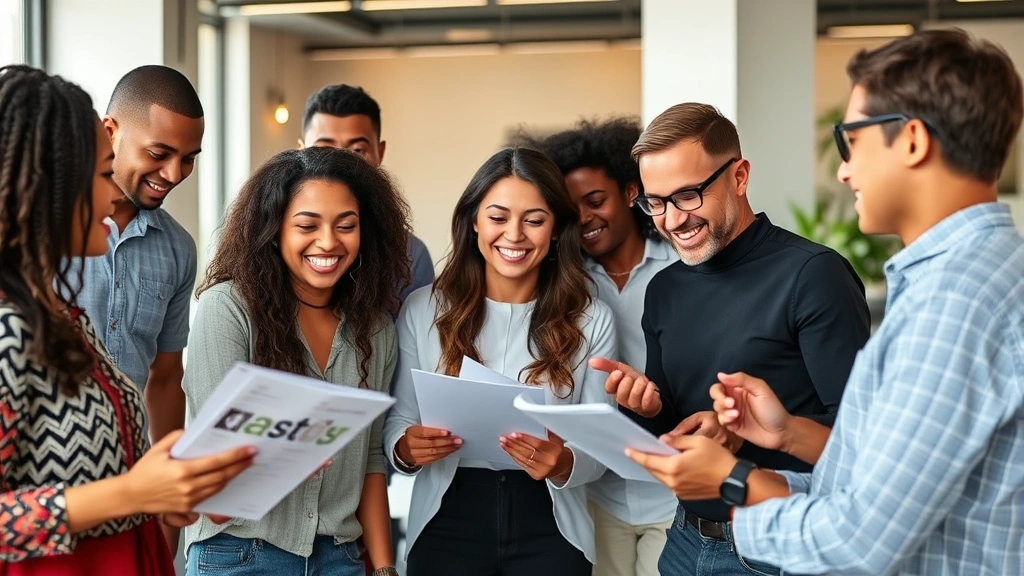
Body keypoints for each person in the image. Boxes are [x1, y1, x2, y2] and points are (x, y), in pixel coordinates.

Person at [628, 28, 1024, 576]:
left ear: (911, 140)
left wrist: (734, 482)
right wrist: (785, 433)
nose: (842, 169)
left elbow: (863, 537)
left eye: (851, 141)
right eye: (656, 204)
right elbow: (880, 482)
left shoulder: (954, 301)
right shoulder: (972, 277)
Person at [590, 103, 871, 576]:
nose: (671, 221)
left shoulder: (814, 275)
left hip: (775, 546)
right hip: (683, 538)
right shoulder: (665, 290)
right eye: (655, 202)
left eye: (688, 195)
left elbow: (860, 439)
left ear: (739, 176)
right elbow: (674, 436)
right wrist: (648, 409)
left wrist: (744, 436)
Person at [0, 64, 253, 575]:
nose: (113, 194)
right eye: (100, 174)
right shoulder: (9, 330)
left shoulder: (65, 320)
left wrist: (169, 490)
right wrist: (132, 492)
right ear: (47, 187)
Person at [383, 147, 617, 576]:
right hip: (446, 517)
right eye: (498, 217)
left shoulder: (592, 318)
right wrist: (406, 447)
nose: (514, 235)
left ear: (556, 230)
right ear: (474, 222)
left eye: (534, 219)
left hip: (550, 521)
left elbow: (601, 442)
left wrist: (564, 461)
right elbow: (398, 419)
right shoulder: (422, 309)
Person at [181, 146, 410, 576]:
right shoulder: (227, 309)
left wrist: (382, 568)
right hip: (239, 552)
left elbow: (371, 462)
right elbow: (211, 463)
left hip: (340, 557)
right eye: (307, 225)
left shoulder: (375, 329)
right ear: (274, 230)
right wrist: (284, 457)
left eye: (347, 226)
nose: (328, 242)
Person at [523, 118, 675, 576]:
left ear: (631, 193)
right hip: (596, 494)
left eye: (596, 201)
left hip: (671, 492)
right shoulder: (563, 284)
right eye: (573, 209)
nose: (585, 218)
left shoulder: (678, 266)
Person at [70, 65, 203, 448]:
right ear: (110, 132)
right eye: (159, 153)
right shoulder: (51, 228)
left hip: (130, 467)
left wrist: (169, 477)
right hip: (50, 471)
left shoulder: (179, 248)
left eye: (189, 158)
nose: (175, 173)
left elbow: (164, 377)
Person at [299, 83, 433, 302]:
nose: (340, 163)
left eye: (358, 151)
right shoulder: (275, 241)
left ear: (379, 153)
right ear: (301, 152)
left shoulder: (411, 256)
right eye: (324, 150)